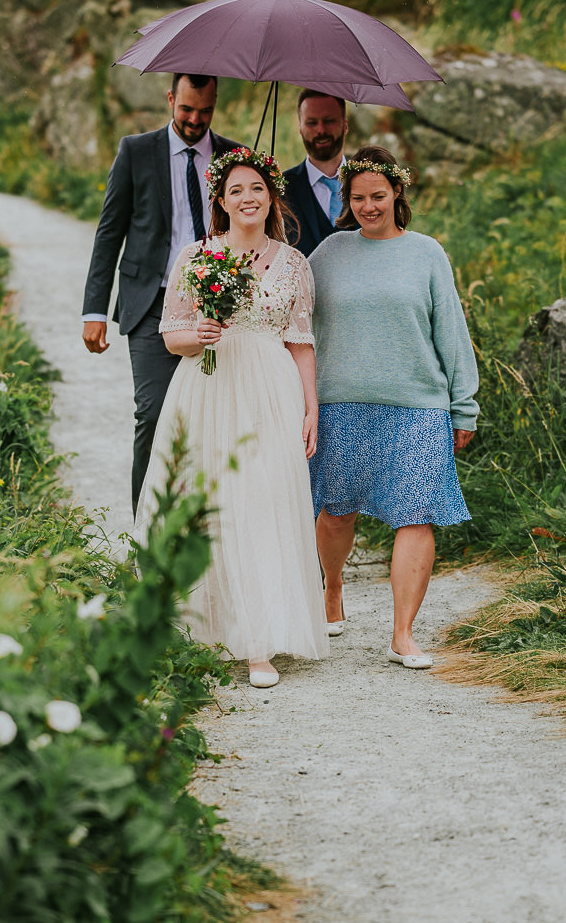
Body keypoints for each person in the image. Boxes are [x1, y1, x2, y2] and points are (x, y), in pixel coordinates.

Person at [134, 147, 329, 688]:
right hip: (209, 388)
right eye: (236, 190)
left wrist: (311, 407)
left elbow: (301, 342)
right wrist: (196, 336)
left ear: (272, 197)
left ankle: (259, 640)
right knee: (214, 503)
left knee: (264, 501)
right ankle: (211, 628)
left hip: (271, 390)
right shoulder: (197, 257)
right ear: (220, 200)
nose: (248, 198)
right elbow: (170, 333)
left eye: (258, 189)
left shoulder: (294, 264)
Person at [308, 144, 478, 669]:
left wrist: (463, 404)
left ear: (397, 192)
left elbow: (450, 329)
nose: (368, 206)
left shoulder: (427, 253)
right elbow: (293, 321)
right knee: (336, 513)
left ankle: (403, 633)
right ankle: (331, 590)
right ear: (346, 198)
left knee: (417, 516)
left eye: (377, 196)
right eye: (357, 197)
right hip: (341, 404)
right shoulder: (328, 254)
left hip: (417, 405)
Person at [81, 74, 239, 515]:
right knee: (153, 417)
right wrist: (94, 308)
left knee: (213, 425)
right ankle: (147, 544)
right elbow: (109, 231)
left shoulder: (234, 157)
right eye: (186, 109)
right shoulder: (136, 151)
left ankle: (202, 540)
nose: (194, 120)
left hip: (215, 309)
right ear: (171, 98)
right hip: (152, 306)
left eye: (204, 111)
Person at [283, 90, 350, 256]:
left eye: (329, 121)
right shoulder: (279, 189)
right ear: (300, 128)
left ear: (345, 125)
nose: (321, 130)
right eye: (312, 123)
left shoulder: (369, 182)